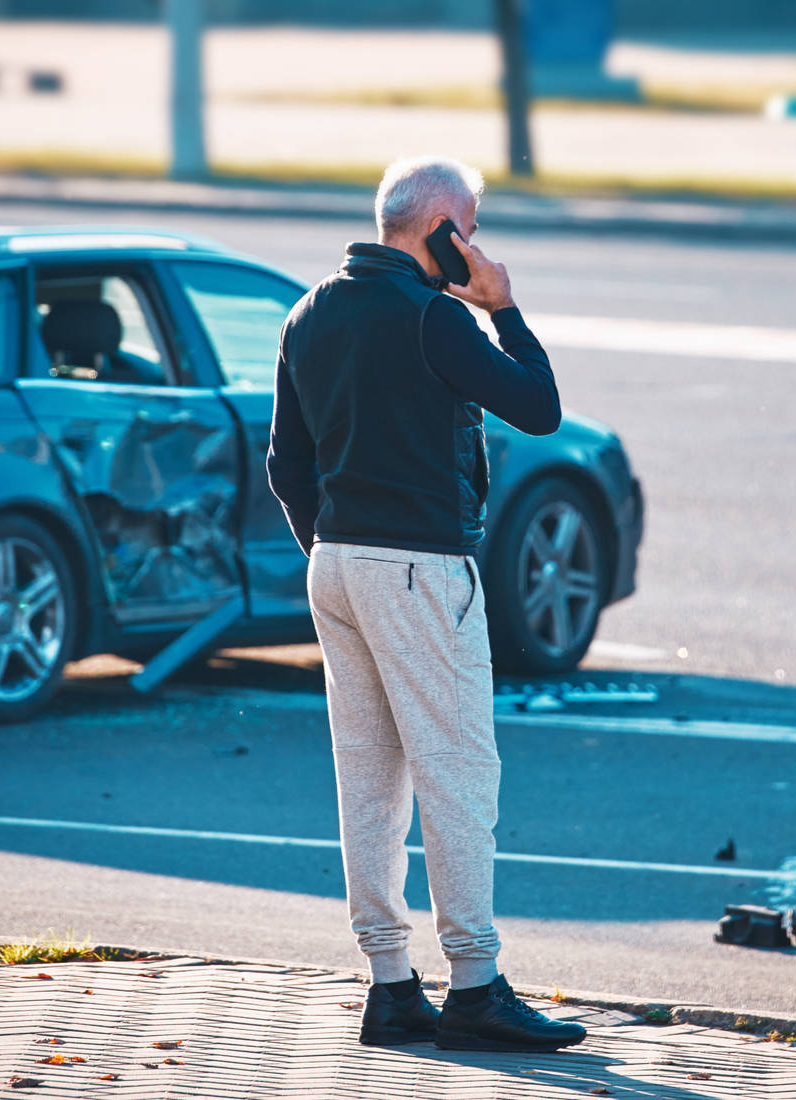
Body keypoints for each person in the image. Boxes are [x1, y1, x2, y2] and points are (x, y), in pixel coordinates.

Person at [265, 155, 584, 1053]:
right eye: (471, 228)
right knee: (457, 771)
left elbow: (285, 464)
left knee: (367, 782)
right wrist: (504, 305)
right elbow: (539, 407)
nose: (477, 245)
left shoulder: (307, 311)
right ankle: (476, 988)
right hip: (417, 567)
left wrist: (333, 548)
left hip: (336, 566)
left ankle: (391, 987)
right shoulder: (436, 315)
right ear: (436, 227)